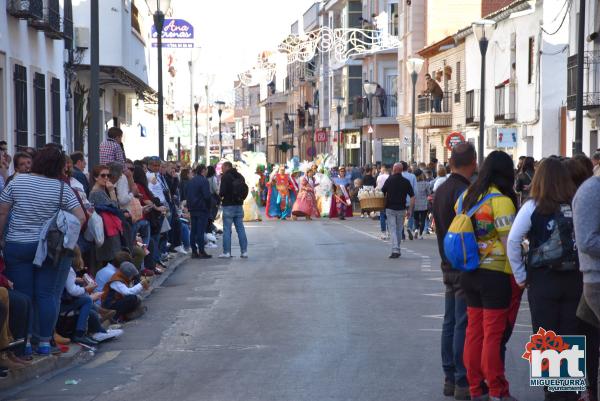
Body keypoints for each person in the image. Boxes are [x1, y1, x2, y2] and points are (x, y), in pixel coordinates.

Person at [0, 146, 86, 356]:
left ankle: (25, 343)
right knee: (47, 295)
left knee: (23, 295)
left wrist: (1, 238)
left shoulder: (18, 181)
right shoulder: (61, 188)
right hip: (50, 248)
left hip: (18, 245)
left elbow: (2, 211)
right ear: (59, 167)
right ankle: (45, 342)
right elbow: (81, 217)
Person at [507, 157, 580, 401]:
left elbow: (513, 241)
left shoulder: (532, 206)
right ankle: (569, 391)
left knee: (547, 334)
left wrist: (520, 275)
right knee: (570, 332)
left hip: (542, 279)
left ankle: (552, 392)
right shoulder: (575, 203)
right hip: (574, 280)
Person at [457, 151, 520, 401]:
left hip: (469, 272)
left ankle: (476, 389)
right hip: (495, 275)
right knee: (492, 336)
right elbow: (509, 244)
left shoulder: (466, 196)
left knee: (474, 332)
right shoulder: (501, 201)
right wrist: (521, 273)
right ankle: (496, 390)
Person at [432, 142, 477, 400]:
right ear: (472, 162)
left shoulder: (441, 189)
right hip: (463, 263)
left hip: (446, 261)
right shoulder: (465, 192)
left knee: (449, 321)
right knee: (462, 322)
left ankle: (450, 376)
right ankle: (462, 379)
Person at [381, 163, 415, 259]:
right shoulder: (406, 181)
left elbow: (382, 192)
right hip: (402, 208)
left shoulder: (389, 180)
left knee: (392, 229)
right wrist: (410, 210)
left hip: (390, 208)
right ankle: (397, 249)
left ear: (394, 170)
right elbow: (412, 196)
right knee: (399, 230)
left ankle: (395, 249)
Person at [219, 161, 248, 259]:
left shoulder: (225, 177)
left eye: (222, 167)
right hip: (239, 205)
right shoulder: (240, 176)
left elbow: (222, 192)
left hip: (228, 206)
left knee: (227, 229)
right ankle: (244, 252)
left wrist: (220, 196)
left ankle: (226, 252)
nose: (221, 169)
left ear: (227, 167)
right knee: (240, 229)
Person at [186, 165, 212, 259]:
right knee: (200, 231)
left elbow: (187, 195)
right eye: (206, 170)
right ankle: (201, 251)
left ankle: (194, 251)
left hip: (193, 208)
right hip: (202, 208)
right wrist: (209, 207)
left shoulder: (191, 181)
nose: (207, 172)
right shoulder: (204, 181)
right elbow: (207, 196)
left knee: (193, 230)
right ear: (203, 170)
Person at [413, 169, 431, 239]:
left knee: (416, 218)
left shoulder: (413, 184)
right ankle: (420, 235)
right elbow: (429, 193)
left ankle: (416, 230)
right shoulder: (426, 183)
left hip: (415, 203)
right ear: (421, 175)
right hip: (423, 204)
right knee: (423, 219)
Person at [376, 165, 390, 239]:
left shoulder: (379, 177)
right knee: (389, 215)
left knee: (382, 215)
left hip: (381, 197)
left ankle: (383, 233)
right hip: (389, 197)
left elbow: (377, 187)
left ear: (383, 169)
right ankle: (389, 232)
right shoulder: (390, 177)